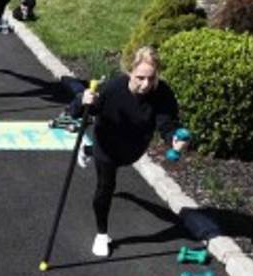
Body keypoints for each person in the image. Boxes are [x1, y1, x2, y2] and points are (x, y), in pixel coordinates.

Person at [69, 46, 188, 258]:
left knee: (119, 162)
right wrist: (82, 100)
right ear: (128, 72)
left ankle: (87, 150)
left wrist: (175, 139)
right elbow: (78, 112)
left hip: (133, 148)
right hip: (107, 144)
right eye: (140, 78)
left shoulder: (162, 92)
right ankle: (102, 234)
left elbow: (167, 124)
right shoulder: (112, 89)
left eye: (151, 78)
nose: (146, 84)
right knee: (106, 186)